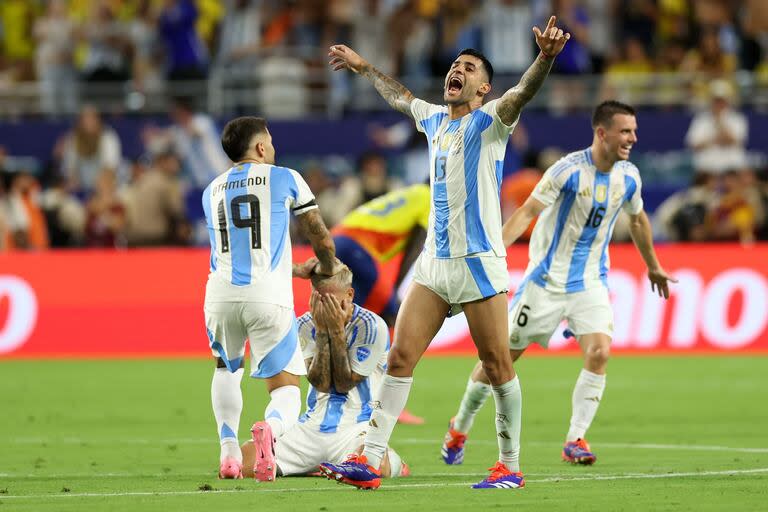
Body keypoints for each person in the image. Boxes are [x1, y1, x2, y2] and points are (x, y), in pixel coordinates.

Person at [319, 16, 571, 490]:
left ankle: (510, 467)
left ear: (482, 88)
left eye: (470, 67)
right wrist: (362, 66)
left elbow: (522, 93)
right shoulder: (434, 119)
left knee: (497, 365)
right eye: (456, 63)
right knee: (399, 358)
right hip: (434, 266)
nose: (458, 68)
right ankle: (370, 460)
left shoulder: (492, 121)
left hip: (478, 264)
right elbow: (398, 96)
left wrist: (544, 59)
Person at [441, 100, 677, 467]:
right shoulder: (566, 171)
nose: (633, 137)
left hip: (590, 283)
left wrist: (653, 266)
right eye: (625, 131)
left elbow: (638, 220)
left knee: (600, 351)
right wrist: (495, 253)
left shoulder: (629, 176)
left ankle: (575, 438)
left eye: (633, 130)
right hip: (545, 283)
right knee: (498, 361)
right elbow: (527, 213)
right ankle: (460, 425)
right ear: (602, 133)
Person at [202, 116, 342, 479]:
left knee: (226, 369)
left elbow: (241, 249)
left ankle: (230, 454)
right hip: (268, 299)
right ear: (261, 147)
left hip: (219, 295)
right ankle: (271, 432)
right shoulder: (285, 176)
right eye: (271, 141)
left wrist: (293, 268)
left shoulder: (211, 190)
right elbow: (321, 236)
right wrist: (327, 266)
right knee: (286, 391)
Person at [240, 269, 409, 482]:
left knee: (372, 464)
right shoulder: (304, 325)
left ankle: (393, 460)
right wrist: (322, 331)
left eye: (333, 303)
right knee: (243, 463)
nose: (326, 310)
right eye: (320, 302)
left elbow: (344, 383)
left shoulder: (372, 326)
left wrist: (336, 331)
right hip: (312, 426)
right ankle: (315, 465)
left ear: (349, 295)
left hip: (357, 427)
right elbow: (319, 382)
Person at [333, 183, 431, 425]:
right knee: (389, 315)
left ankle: (345, 398)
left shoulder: (413, 192)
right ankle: (387, 403)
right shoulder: (430, 199)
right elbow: (416, 247)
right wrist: (398, 289)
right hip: (356, 248)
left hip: (338, 240)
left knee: (356, 322)